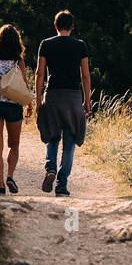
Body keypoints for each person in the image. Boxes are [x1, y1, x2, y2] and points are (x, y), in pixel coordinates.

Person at [35, 10, 90, 197]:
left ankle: (50, 167)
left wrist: (38, 100)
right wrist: (87, 100)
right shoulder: (80, 46)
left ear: (55, 26)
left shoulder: (46, 44)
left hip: (53, 96)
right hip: (73, 97)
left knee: (52, 136)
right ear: (72, 27)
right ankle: (61, 184)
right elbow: (85, 75)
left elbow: (40, 74)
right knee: (70, 141)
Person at [0, 24, 32, 195]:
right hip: (13, 106)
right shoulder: (18, 61)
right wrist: (30, 104)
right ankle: (10, 175)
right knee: (14, 145)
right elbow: (24, 85)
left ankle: (1, 186)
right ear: (16, 42)